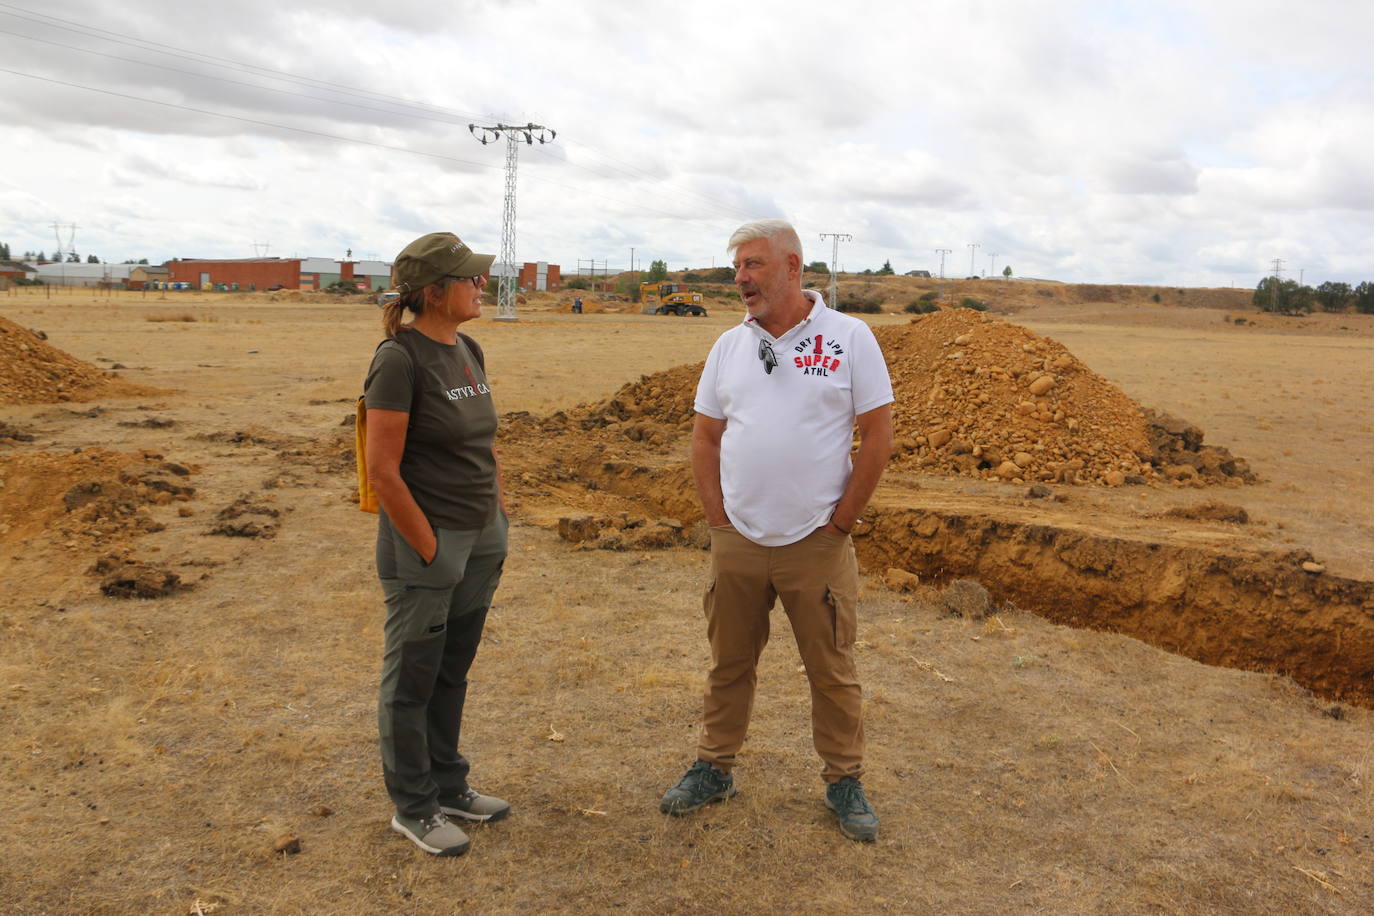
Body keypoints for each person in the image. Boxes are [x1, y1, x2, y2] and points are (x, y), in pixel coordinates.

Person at [659, 219, 894, 842]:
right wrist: (716, 518)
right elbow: (706, 436)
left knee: (832, 669)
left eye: (754, 265)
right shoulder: (727, 347)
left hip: (816, 541)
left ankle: (844, 780)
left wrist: (841, 523)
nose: (741, 278)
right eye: (738, 267)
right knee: (728, 664)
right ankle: (714, 767)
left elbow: (879, 436)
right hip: (738, 539)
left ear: (792, 267)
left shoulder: (849, 338)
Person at [364, 231, 511, 857]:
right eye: (469, 278)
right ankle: (415, 807)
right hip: (429, 543)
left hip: (481, 536)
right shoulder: (399, 359)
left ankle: (451, 785)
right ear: (433, 292)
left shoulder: (469, 347)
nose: (481, 286)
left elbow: (484, 442)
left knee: (452, 669)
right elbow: (383, 470)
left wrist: (496, 512)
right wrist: (426, 545)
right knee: (413, 679)